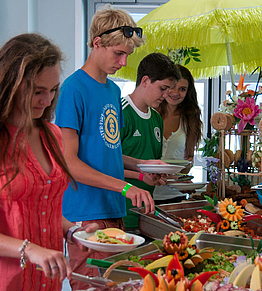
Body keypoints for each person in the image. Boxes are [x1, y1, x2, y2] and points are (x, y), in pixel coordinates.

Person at [0, 33, 97, 291]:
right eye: (38, 91)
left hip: (44, 282)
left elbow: (39, 208)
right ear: (10, 86)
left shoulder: (53, 136)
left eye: (52, 90)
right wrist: (29, 249)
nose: (47, 101)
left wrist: (72, 231)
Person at [54, 5, 161, 290]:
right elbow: (69, 162)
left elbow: (107, 151)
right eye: (118, 53)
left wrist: (141, 171)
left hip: (114, 209)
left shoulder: (113, 90)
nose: (124, 62)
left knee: (116, 286)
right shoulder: (73, 89)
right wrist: (125, 188)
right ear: (97, 43)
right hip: (86, 214)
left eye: (127, 54)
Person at [121, 53, 181, 230]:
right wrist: (141, 175)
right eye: (163, 88)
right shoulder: (120, 112)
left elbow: (150, 164)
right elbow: (106, 162)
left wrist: (159, 175)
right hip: (120, 213)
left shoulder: (156, 118)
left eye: (169, 89)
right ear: (145, 81)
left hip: (146, 213)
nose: (166, 95)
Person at [153, 65, 203, 204]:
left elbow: (188, 160)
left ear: (188, 92)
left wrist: (183, 177)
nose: (176, 93)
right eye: (172, 87)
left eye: (182, 89)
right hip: (145, 192)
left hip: (174, 195)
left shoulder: (189, 119)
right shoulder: (149, 114)